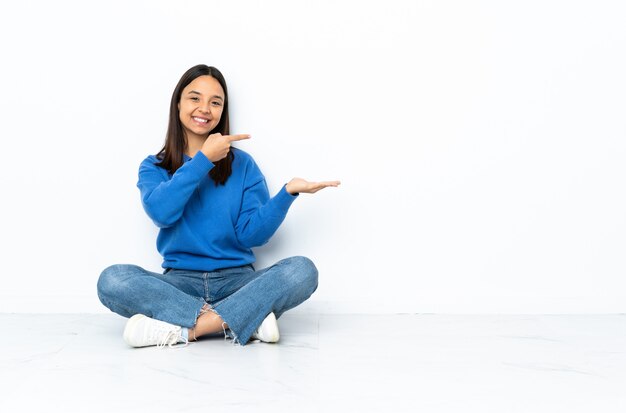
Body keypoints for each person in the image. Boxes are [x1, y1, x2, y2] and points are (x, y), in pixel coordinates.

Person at [97, 64, 340, 348]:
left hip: (237, 282)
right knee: (112, 280)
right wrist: (203, 160)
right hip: (179, 284)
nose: (205, 108)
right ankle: (245, 318)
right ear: (178, 104)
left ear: (223, 111)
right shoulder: (155, 166)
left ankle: (186, 329)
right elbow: (162, 214)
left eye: (215, 102)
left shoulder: (243, 165)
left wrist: (286, 194)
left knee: (301, 270)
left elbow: (253, 236)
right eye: (195, 98)